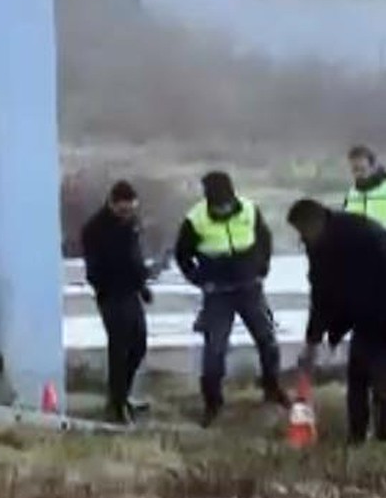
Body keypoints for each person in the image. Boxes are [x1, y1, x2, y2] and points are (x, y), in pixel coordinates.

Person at [287, 198, 386, 444]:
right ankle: (357, 437)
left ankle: (385, 437)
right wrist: (313, 341)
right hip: (364, 314)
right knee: (358, 377)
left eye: (302, 230)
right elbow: (321, 293)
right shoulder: (319, 244)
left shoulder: (362, 233)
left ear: (316, 220)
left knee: (383, 380)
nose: (302, 237)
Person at [173, 170, 287, 425]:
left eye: (226, 203)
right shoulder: (195, 219)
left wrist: (262, 267)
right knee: (215, 350)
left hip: (250, 288)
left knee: (267, 340)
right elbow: (182, 255)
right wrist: (200, 280)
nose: (224, 208)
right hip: (218, 295)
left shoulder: (249, 209)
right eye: (218, 205)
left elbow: (264, 239)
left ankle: (272, 389)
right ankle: (213, 403)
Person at [80, 180, 155, 425]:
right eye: (123, 210)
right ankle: (117, 403)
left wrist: (142, 285)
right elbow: (100, 267)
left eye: (131, 209)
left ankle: (123, 395)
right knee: (119, 349)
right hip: (112, 294)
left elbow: (134, 258)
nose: (127, 214)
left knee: (139, 345)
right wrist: (108, 287)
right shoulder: (96, 229)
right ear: (112, 204)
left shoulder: (131, 224)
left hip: (132, 292)